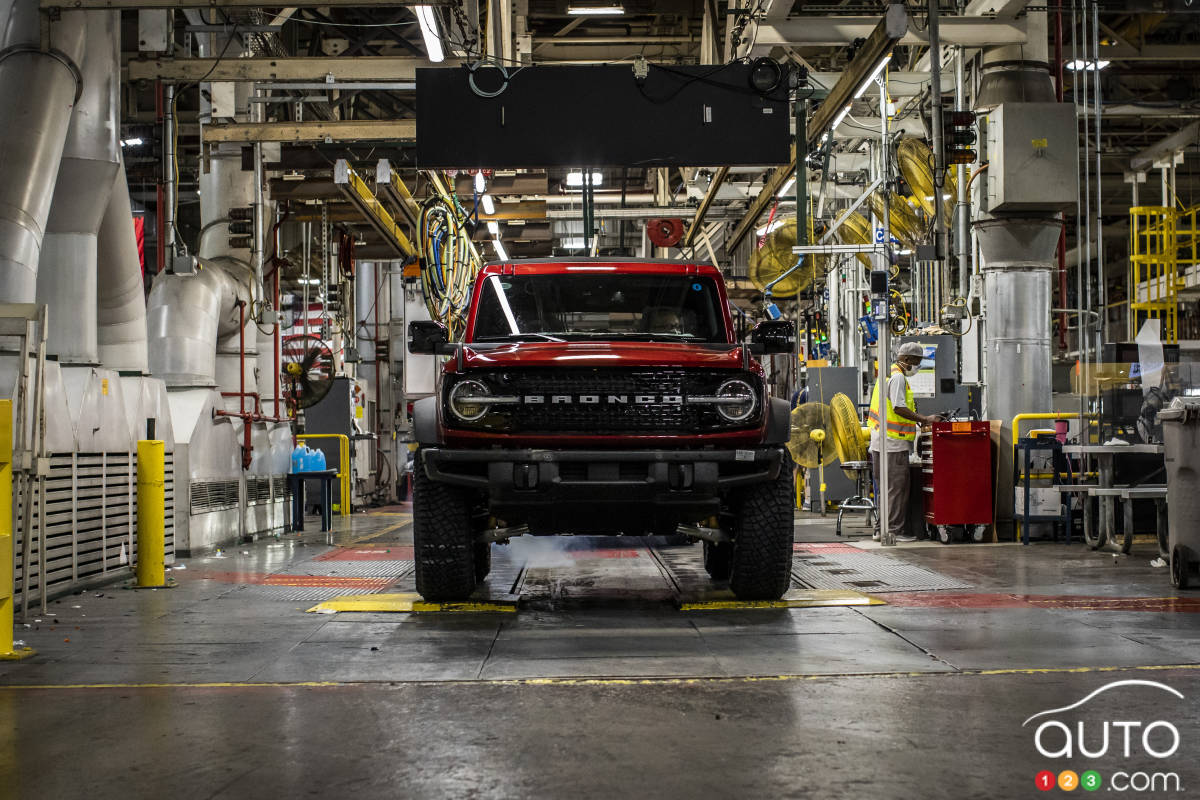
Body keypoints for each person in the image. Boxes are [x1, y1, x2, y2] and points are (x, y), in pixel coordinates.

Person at [868, 341, 941, 542]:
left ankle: (880, 529)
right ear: (906, 359)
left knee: (885, 489)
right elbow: (899, 407)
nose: (917, 366)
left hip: (879, 441)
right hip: (893, 442)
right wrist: (925, 419)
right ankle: (894, 531)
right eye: (917, 362)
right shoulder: (899, 377)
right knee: (897, 489)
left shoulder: (886, 374)